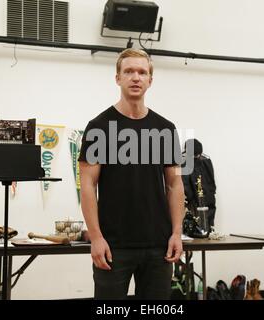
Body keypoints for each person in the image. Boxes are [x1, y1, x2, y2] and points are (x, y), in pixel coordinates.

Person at [78, 48, 185, 300]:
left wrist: (176, 233)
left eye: (141, 72)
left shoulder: (166, 128)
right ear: (117, 78)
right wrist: (96, 238)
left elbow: (175, 185)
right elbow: (87, 186)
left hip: (159, 246)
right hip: (114, 247)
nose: (135, 77)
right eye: (128, 71)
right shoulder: (98, 127)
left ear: (150, 80)